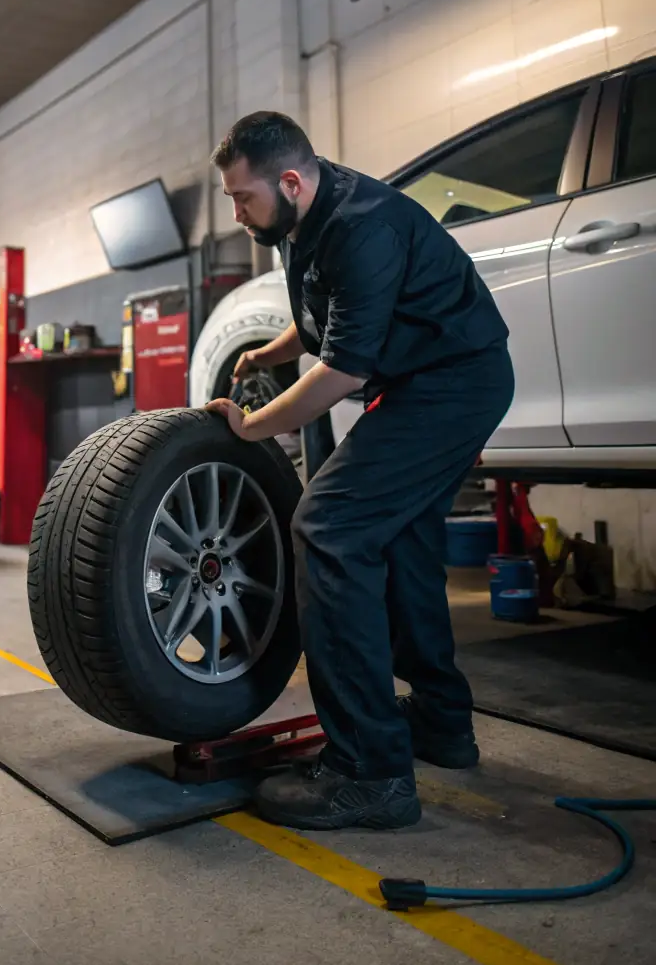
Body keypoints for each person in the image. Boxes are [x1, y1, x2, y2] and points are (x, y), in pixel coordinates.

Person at [206, 111, 513, 831]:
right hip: (432, 381)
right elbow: (331, 311)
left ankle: (369, 772)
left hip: (453, 383)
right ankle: (441, 721)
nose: (236, 212)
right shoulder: (305, 216)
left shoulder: (361, 226)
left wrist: (253, 424)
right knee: (401, 538)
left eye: (242, 197)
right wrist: (272, 352)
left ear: (289, 181)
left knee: (328, 527)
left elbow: (343, 370)